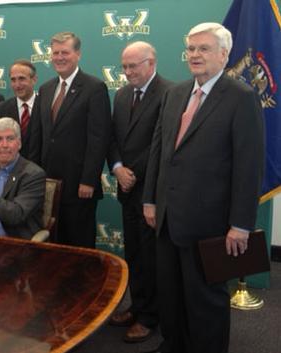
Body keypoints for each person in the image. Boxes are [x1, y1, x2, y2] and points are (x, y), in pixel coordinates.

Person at [142, 22, 264, 353]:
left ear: (224, 54)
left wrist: (240, 224)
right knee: (171, 293)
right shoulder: (175, 93)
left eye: (204, 48)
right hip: (167, 217)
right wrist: (150, 200)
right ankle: (174, 344)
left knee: (205, 299)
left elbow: (248, 166)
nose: (195, 55)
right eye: (191, 49)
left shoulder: (242, 98)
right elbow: (160, 149)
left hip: (210, 222)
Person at [107, 41, 172, 343]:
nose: (128, 72)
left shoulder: (170, 93)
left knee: (151, 257)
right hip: (125, 187)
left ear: (151, 62)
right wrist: (118, 167)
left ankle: (150, 317)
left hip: (151, 193)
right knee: (133, 253)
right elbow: (112, 138)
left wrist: (134, 173)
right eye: (124, 66)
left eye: (134, 66)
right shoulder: (121, 95)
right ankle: (138, 305)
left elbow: (163, 144)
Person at [28, 31, 111, 248]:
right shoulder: (45, 89)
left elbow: (98, 138)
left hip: (79, 185)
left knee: (79, 244)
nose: (59, 57)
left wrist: (88, 180)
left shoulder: (94, 88)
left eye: (65, 52)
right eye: (55, 53)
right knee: (53, 244)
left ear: (78, 54)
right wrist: (33, 178)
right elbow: (36, 137)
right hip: (48, 184)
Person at [0, 59, 38, 158]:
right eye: (13, 80)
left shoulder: (46, 106)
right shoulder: (0, 110)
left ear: (34, 79)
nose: (17, 85)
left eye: (22, 79)